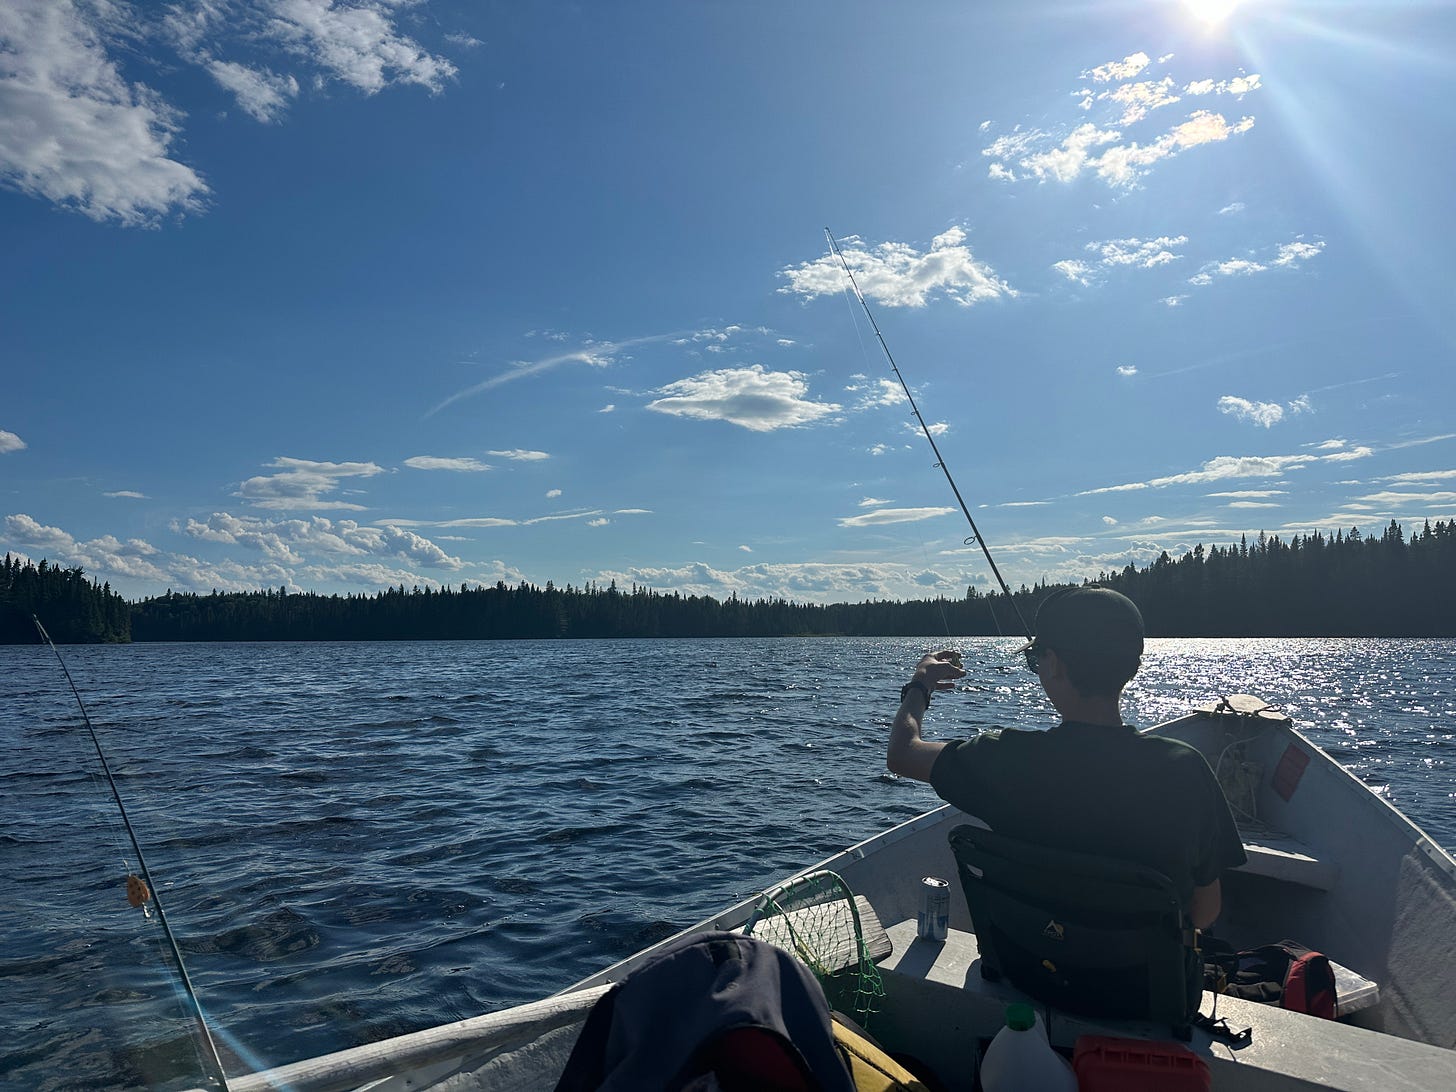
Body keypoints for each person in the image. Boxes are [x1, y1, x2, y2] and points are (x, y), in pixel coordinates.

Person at [886, 585, 1245, 929]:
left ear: (1053, 664)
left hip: (1026, 971)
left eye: (1034, 658)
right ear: (1133, 668)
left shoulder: (1002, 758)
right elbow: (1204, 912)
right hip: (1143, 988)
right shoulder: (1185, 767)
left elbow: (903, 753)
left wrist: (920, 685)